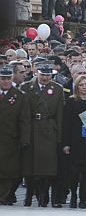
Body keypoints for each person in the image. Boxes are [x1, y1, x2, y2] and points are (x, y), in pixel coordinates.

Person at [20, 64, 64, 207]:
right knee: (30, 165)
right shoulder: (27, 87)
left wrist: (59, 137)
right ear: (36, 73)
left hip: (48, 130)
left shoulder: (57, 89)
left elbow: (59, 114)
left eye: (48, 75)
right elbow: (23, 114)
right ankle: (29, 194)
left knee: (47, 166)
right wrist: (24, 136)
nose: (45, 78)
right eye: (42, 75)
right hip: (31, 128)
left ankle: (43, 195)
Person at [61, 75, 86, 209]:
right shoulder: (72, 101)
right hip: (75, 140)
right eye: (81, 85)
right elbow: (67, 124)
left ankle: (84, 197)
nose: (84, 87)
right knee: (74, 171)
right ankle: (74, 196)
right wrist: (66, 144)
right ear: (76, 87)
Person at [0, 67, 30, 205]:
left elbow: (24, 120)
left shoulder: (19, 96)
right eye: (3, 78)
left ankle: (5, 196)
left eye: (8, 78)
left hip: (10, 139)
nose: (6, 81)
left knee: (8, 171)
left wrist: (25, 140)